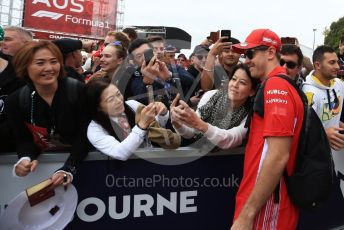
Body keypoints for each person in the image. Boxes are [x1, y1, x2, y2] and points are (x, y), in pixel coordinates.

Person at [230, 29, 304, 229]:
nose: (247, 60)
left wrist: (247, 214)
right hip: (266, 200)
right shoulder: (275, 85)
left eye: (250, 54)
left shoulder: (275, 87)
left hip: (268, 204)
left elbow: (278, 156)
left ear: (271, 53)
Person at [5, 40, 91, 188]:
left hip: (88, 166)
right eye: (40, 63)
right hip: (47, 174)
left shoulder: (79, 91)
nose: (49, 68)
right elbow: (23, 139)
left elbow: (87, 134)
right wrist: (25, 158)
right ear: (24, 66)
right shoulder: (16, 100)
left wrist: (69, 167)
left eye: (54, 61)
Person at [171, 64, 258, 149]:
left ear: (252, 91)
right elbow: (193, 133)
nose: (235, 85)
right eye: (234, 79)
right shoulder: (211, 95)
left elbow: (231, 139)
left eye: (242, 82)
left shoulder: (251, 113)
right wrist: (177, 124)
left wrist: (198, 123)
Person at [85, 78, 170, 159]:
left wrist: (162, 113)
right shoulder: (95, 129)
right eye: (111, 99)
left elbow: (157, 125)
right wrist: (142, 125)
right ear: (98, 106)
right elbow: (120, 153)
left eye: (118, 94)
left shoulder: (132, 105)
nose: (118, 101)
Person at [302, 45, 344, 196]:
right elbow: (302, 130)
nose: (337, 66)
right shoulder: (308, 92)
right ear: (318, 65)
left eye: (337, 62)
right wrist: (324, 133)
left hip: (337, 157)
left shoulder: (338, 84)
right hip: (316, 160)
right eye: (332, 63)